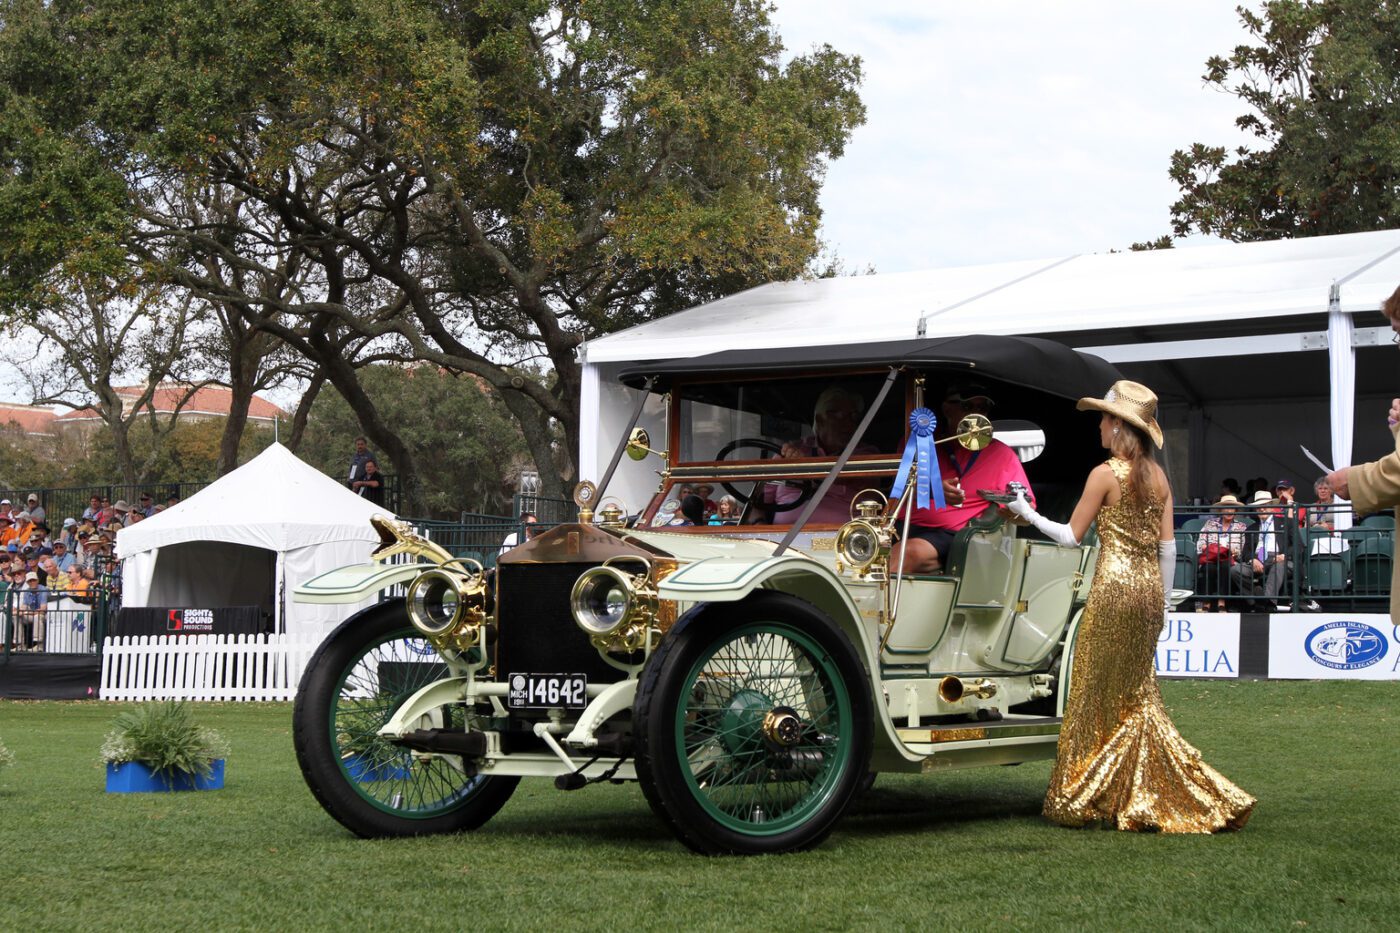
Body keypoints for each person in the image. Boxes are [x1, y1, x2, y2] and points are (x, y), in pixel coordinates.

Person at [1006, 379, 1253, 832]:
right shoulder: (1159, 478)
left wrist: (1025, 511)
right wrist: (1163, 604)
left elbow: (1069, 536)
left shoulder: (1104, 474)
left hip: (1115, 591)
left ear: (1119, 426)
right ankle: (1128, 788)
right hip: (1146, 596)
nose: (1099, 425)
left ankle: (1091, 790)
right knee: (1135, 692)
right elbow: (1167, 549)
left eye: (1104, 418)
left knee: (1094, 690)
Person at [896, 383, 1033, 573]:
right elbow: (896, 485)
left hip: (953, 535)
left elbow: (1027, 507)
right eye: (967, 407)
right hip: (899, 525)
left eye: (982, 408)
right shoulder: (921, 442)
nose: (975, 414)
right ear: (947, 409)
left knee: (908, 552)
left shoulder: (1001, 454)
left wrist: (1015, 512)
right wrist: (931, 489)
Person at [1237, 490, 1297, 611]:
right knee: (1235, 570)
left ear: (1272, 507)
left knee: (1279, 566)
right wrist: (1252, 560)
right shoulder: (1251, 528)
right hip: (1258, 560)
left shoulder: (1286, 523)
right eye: (1259, 507)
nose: (1262, 509)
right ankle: (1256, 601)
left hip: (1280, 559)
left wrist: (1285, 555)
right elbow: (1245, 552)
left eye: (1265, 506)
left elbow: (1299, 545)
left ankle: (1268, 602)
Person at [1195, 494, 1247, 612]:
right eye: (1226, 507)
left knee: (1225, 565)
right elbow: (1201, 542)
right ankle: (1206, 602)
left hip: (1229, 559)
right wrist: (1216, 550)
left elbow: (1239, 548)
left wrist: (1219, 549)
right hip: (1210, 558)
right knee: (1209, 567)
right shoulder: (1210, 523)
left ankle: (1221, 601)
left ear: (1236, 510)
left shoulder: (1241, 526)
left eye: (1232, 508)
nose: (1229, 511)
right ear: (1220, 510)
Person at [14, 570, 48, 652]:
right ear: (27, 582)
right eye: (29, 581)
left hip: (46, 615)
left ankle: (39, 646)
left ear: (37, 580)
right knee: (17, 617)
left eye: (33, 580)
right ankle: (20, 645)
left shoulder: (43, 590)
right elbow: (24, 606)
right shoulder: (27, 591)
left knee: (37, 616)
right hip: (32, 614)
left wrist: (26, 612)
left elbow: (43, 610)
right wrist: (19, 611)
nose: (32, 582)